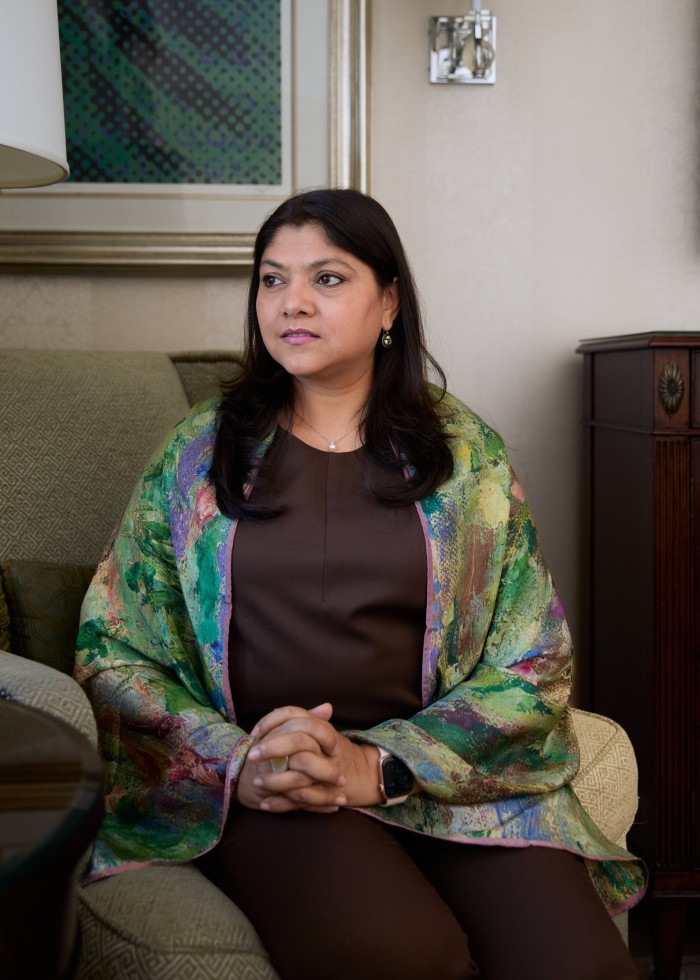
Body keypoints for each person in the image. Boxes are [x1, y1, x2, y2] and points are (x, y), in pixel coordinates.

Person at [76, 188, 645, 980]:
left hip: (435, 777)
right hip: (273, 779)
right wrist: (242, 761)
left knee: (580, 967)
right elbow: (114, 650)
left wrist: (378, 766)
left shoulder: (466, 458)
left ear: (389, 304)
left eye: (328, 278)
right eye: (272, 280)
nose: (292, 302)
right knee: (396, 954)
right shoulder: (197, 457)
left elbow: (534, 663)